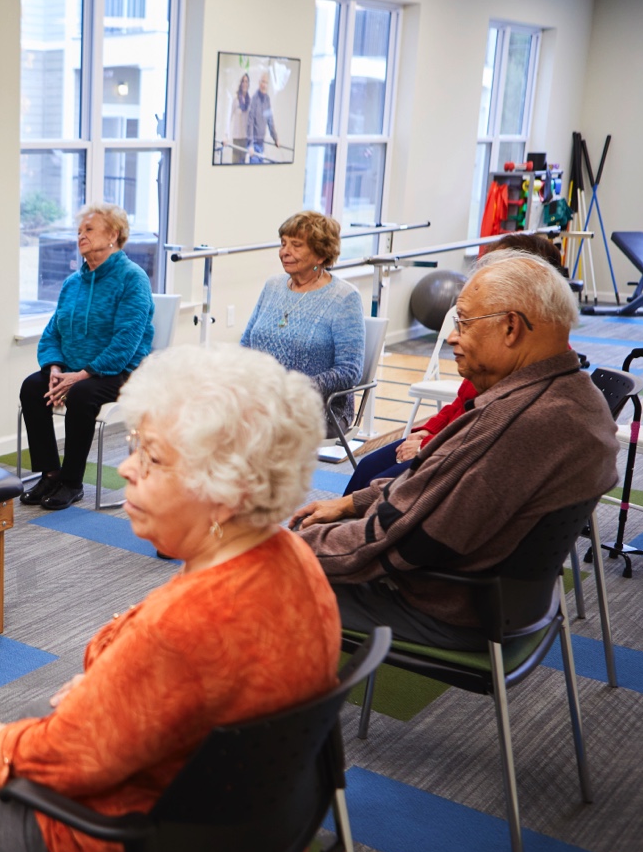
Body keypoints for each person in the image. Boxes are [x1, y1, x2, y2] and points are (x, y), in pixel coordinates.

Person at [0, 345, 342, 852]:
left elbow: (71, 755)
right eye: (135, 447)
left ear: (225, 492)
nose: (127, 470)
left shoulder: (184, 624)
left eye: (153, 457)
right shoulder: (294, 557)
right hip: (269, 831)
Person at [292, 252, 618, 650]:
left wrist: (280, 550)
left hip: (442, 603)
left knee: (250, 585)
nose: (451, 336)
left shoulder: (523, 425)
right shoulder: (569, 395)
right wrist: (351, 504)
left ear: (511, 327)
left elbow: (404, 542)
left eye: (463, 321)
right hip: (508, 598)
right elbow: (437, 483)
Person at [342, 231, 574, 494]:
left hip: (454, 458)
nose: (454, 338)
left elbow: (478, 438)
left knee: (378, 490)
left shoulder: (529, 371)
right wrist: (426, 431)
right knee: (367, 468)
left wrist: (429, 443)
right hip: (447, 444)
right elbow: (461, 405)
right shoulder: (499, 354)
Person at [19, 203, 154, 510]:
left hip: (121, 371)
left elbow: (127, 341)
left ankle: (71, 482)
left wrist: (80, 375)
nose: (81, 236)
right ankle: (50, 474)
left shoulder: (132, 279)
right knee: (31, 387)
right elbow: (53, 332)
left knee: (81, 395)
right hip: (72, 369)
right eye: (79, 231)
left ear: (113, 235)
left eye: (89, 230)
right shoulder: (73, 283)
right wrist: (54, 368)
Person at [241, 210, 365, 434]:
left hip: (320, 409)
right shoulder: (273, 286)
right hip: (262, 401)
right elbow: (246, 344)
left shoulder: (344, 297)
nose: (284, 252)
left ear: (320, 254)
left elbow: (350, 371)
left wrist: (294, 389)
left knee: (250, 429)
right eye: (283, 243)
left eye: (296, 245)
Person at [244, 69, 278, 163]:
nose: (264, 85)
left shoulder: (267, 100)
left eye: (266, 82)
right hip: (254, 143)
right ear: (259, 82)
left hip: (261, 142)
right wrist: (250, 144)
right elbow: (250, 123)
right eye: (263, 81)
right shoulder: (254, 99)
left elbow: (270, 120)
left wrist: (275, 138)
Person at [226, 71, 250, 163]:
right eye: (243, 81)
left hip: (245, 139)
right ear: (240, 83)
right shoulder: (235, 99)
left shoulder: (249, 100)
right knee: (235, 163)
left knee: (242, 165)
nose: (245, 83)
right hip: (236, 139)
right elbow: (229, 118)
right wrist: (226, 135)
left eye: (246, 81)